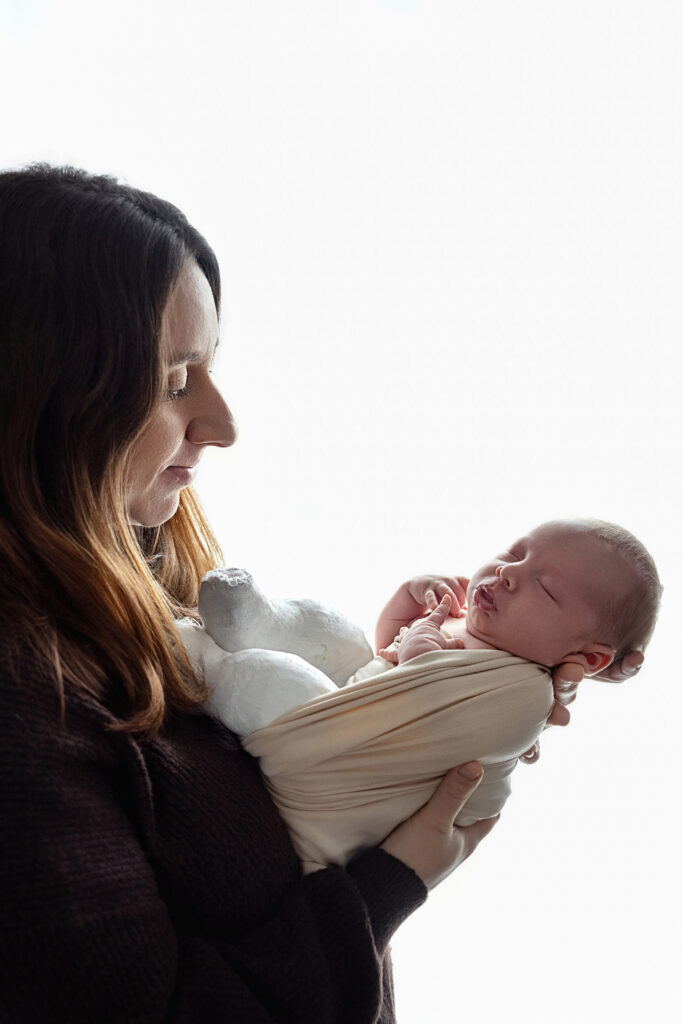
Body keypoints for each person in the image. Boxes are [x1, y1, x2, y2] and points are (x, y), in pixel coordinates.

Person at [0, 164, 642, 1023]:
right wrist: (393, 880)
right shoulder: (20, 699)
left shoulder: (152, 587)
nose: (224, 425)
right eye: (175, 378)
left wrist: (425, 708)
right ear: (39, 394)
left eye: (213, 366)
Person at [179, 518, 660, 870]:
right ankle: (256, 623)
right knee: (343, 637)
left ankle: (208, 664)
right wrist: (407, 601)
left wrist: (421, 650)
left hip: (330, 745)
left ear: (590, 658)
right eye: (515, 554)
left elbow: (414, 703)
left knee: (280, 684)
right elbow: (381, 653)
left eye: (547, 589)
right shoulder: (468, 625)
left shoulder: (524, 689)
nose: (508, 574)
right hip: (352, 696)